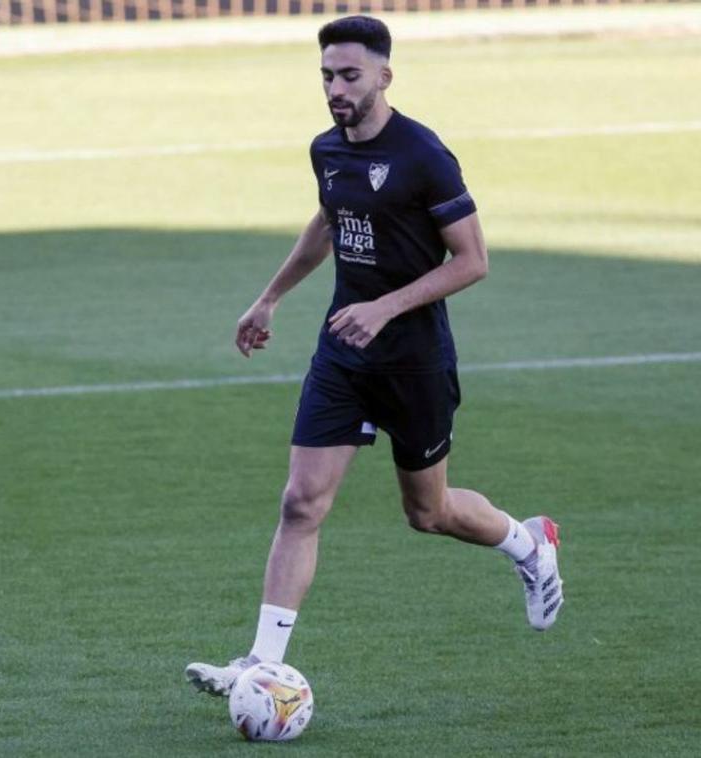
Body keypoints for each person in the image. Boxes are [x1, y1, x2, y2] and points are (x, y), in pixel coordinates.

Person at [184, 16, 563, 696]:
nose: (336, 88)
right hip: (343, 356)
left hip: (413, 361)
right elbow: (329, 221)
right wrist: (269, 298)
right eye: (327, 76)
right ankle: (263, 662)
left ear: (385, 76)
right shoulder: (327, 151)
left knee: (429, 513)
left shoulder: (423, 155)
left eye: (349, 76)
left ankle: (529, 544)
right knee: (301, 503)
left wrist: (386, 306)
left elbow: (473, 260)